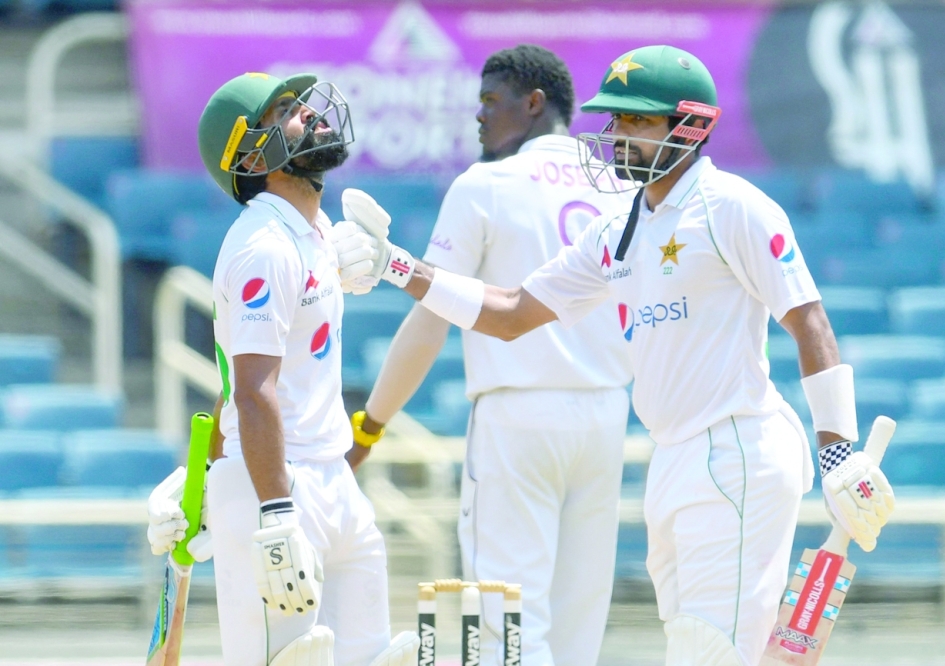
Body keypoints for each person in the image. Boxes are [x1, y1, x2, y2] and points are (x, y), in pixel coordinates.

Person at [337, 45, 896, 666]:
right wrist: (398, 267)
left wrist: (838, 450)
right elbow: (511, 312)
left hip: (740, 448)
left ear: (689, 127)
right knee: (696, 646)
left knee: (711, 652)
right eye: (616, 121)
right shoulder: (618, 227)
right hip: (673, 456)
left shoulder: (733, 207)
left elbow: (807, 318)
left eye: (637, 122)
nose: (618, 136)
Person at [353, 45, 633, 666]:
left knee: (506, 620)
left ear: (533, 103)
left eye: (489, 101)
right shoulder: (620, 186)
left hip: (518, 415)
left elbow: (431, 322)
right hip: (607, 414)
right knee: (577, 625)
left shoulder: (485, 184)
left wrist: (370, 424)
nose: (477, 118)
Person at [145, 72, 417, 666]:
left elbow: (245, 379)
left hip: (333, 479)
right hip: (277, 488)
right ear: (251, 152)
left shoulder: (315, 231)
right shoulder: (262, 246)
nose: (312, 115)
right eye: (287, 112)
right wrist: (273, 511)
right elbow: (252, 390)